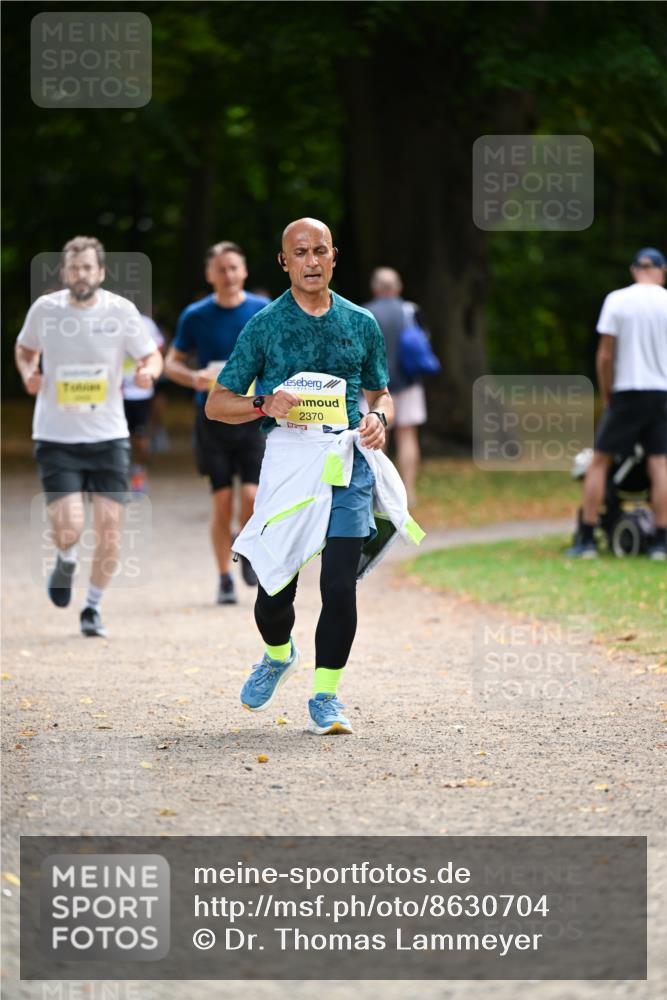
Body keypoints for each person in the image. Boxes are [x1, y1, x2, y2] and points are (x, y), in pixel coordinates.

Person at [206, 217, 399, 736]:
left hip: (346, 460)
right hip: (289, 462)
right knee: (274, 591)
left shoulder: (361, 323)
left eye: (320, 251)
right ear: (283, 261)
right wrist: (263, 402)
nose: (311, 261)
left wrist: (379, 418)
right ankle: (277, 655)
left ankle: (326, 697)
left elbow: (381, 393)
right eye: (300, 253)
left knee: (339, 585)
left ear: (334, 256)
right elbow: (216, 404)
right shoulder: (265, 325)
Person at [15, 235, 163, 636]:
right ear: (65, 272)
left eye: (88, 267)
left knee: (111, 530)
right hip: (56, 436)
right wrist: (29, 373)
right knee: (69, 527)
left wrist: (149, 370)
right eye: (74, 267)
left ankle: (92, 608)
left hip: (109, 437)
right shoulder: (46, 311)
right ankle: (66, 559)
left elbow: (151, 353)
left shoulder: (121, 311)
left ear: (101, 272)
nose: (81, 274)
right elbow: (24, 349)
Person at [165, 242, 270, 604]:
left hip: (254, 415)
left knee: (252, 496)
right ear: (210, 275)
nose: (228, 275)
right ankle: (224, 576)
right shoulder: (195, 315)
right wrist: (192, 377)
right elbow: (171, 362)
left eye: (234, 268)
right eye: (220, 269)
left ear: (244, 272)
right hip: (212, 418)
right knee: (222, 502)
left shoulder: (262, 311)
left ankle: (246, 543)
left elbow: (279, 358)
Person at [568, 247, 667, 560]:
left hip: (626, 391)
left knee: (599, 461)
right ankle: (660, 542)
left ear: (633, 269)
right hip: (661, 393)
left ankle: (585, 537)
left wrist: (607, 394)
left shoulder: (617, 300)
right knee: (660, 464)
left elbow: (606, 355)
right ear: (661, 271)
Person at [364, 267, 427, 505]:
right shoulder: (410, 310)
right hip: (409, 382)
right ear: (398, 288)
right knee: (408, 435)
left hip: (375, 386)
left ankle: (381, 492)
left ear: (375, 289)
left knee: (377, 435)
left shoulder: (366, 313)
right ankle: (408, 491)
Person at [122, 314, 165, 494]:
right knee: (116, 438)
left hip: (140, 392)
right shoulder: (103, 320)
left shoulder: (145, 323)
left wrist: (149, 370)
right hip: (112, 393)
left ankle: (139, 475)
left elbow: (159, 348)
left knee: (140, 439)